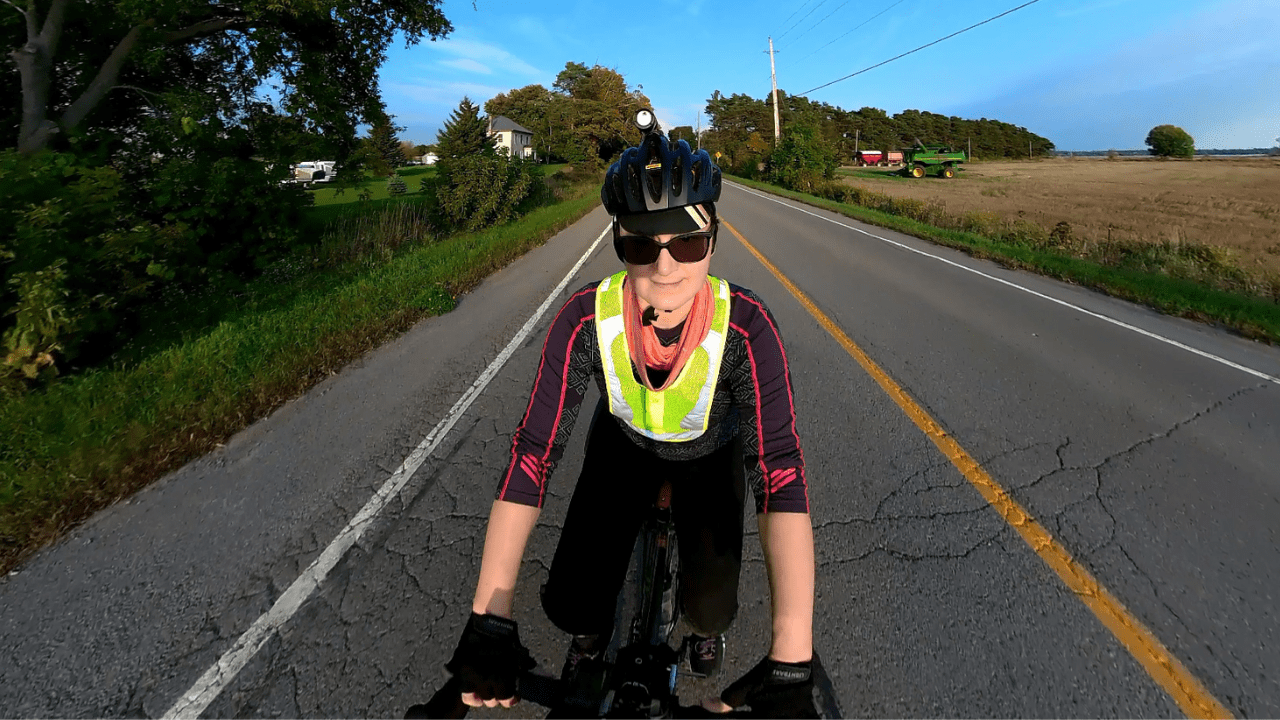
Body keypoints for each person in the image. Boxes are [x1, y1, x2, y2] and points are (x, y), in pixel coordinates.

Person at [443, 113, 818, 718]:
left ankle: (702, 630)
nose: (664, 268)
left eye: (687, 243)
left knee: (710, 611)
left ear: (714, 241)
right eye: (640, 244)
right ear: (618, 244)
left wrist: (792, 656)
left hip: (708, 452)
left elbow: (780, 473)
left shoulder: (748, 327)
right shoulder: (584, 319)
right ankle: (589, 642)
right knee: (570, 604)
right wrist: (489, 617)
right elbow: (533, 453)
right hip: (621, 444)